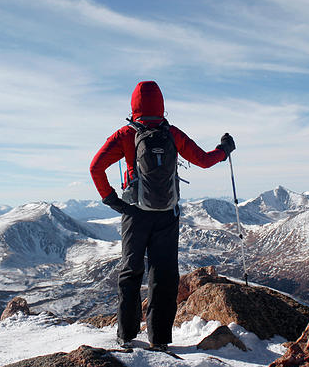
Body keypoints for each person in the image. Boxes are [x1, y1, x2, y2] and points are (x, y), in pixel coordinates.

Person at [89, 80, 235, 351]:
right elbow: (203, 159)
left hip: (135, 213)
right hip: (167, 213)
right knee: (164, 274)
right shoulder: (172, 134)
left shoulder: (125, 135)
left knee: (131, 271)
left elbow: (95, 167)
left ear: (134, 106)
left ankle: (126, 335)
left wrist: (112, 200)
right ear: (161, 105)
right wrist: (224, 150)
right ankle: (159, 339)